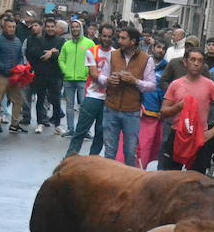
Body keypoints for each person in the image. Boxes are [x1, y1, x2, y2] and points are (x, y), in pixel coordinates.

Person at [159, 47, 214, 173]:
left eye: (200, 61)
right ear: (185, 62)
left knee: (196, 181)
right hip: (177, 135)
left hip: (200, 137)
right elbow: (163, 112)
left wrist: (213, 131)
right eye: (192, 59)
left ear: (203, 64)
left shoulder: (209, 84)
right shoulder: (176, 84)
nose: (196, 63)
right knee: (171, 177)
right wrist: (178, 107)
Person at [98, 26, 155, 164]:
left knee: (130, 152)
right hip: (111, 108)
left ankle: (128, 182)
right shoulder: (113, 55)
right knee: (110, 151)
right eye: (119, 38)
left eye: (123, 38)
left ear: (133, 41)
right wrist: (108, 80)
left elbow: (152, 85)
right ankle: (109, 182)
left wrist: (135, 81)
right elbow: (101, 77)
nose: (119, 41)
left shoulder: (146, 59)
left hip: (132, 112)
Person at [65, 24, 113, 157]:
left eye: (109, 36)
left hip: (108, 99)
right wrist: (110, 80)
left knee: (100, 132)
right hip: (92, 96)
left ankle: (92, 161)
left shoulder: (116, 54)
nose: (106, 39)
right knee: (81, 130)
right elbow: (93, 74)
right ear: (99, 35)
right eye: (104, 36)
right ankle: (69, 159)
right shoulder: (92, 51)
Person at [0, 16, 27, 134]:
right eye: (9, 27)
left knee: (18, 100)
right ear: (4, 27)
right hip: (0, 75)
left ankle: (14, 124)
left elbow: (20, 56)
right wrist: (3, 68)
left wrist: (19, 67)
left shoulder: (17, 40)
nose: (11, 29)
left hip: (14, 75)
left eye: (13, 27)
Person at [26, 19, 64, 134]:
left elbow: (62, 55)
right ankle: (40, 123)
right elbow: (34, 54)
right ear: (45, 28)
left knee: (56, 100)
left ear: (55, 28)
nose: (50, 29)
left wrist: (51, 54)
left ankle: (57, 124)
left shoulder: (61, 41)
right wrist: (50, 53)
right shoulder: (39, 40)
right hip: (41, 74)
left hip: (55, 74)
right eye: (48, 26)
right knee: (40, 99)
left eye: (52, 26)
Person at [58, 19, 94, 138]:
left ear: (81, 28)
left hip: (83, 80)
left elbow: (94, 60)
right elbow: (61, 59)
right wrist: (65, 70)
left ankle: (85, 130)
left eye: (77, 27)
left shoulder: (89, 44)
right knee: (69, 105)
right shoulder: (66, 44)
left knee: (84, 106)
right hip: (68, 80)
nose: (75, 29)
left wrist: (87, 72)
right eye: (72, 27)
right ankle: (70, 129)